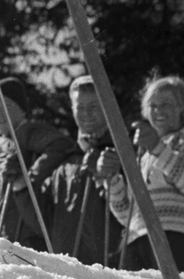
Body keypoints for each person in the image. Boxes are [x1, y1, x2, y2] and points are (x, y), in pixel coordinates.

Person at [97, 74, 184, 275]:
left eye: (167, 104)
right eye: (152, 105)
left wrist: (158, 148)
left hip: (174, 236)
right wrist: (112, 179)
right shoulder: (144, 153)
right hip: (137, 239)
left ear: (183, 108)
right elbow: (128, 214)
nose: (158, 110)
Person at [0, 77, 78, 251]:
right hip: (11, 237)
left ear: (21, 110)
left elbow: (61, 145)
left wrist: (30, 177)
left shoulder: (25, 132)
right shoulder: (5, 142)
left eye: (6, 107)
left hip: (30, 238)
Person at [41, 75, 123, 266]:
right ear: (72, 109)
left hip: (109, 269)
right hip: (67, 269)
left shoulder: (122, 154)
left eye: (94, 106)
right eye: (80, 107)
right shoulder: (65, 164)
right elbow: (41, 218)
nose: (86, 113)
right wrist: (21, 188)